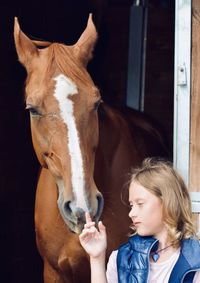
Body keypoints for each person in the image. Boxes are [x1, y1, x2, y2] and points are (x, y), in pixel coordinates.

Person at [79, 158, 200, 283]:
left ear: (167, 203)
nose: (131, 213)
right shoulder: (120, 258)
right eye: (131, 205)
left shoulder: (196, 261)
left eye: (140, 203)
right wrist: (97, 257)